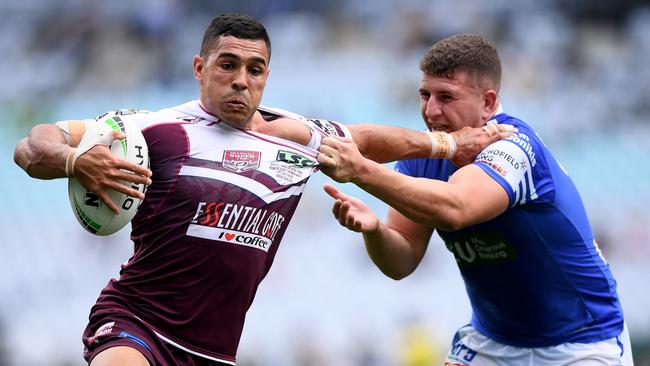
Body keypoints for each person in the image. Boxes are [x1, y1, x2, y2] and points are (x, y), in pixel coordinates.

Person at [13, 15, 514, 366]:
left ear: (267, 76)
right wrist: (75, 158)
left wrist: (446, 143)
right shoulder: (153, 128)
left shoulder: (295, 137)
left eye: (254, 70)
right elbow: (33, 146)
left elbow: (365, 139)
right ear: (199, 68)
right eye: (227, 65)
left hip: (215, 348)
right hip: (135, 323)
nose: (240, 81)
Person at [317, 34, 634, 365]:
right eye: (425, 95)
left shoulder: (514, 145)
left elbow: (456, 208)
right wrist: (375, 231)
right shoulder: (423, 157)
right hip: (492, 342)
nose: (430, 110)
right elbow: (401, 260)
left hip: (581, 342)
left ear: (488, 102)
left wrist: (362, 171)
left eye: (446, 97)